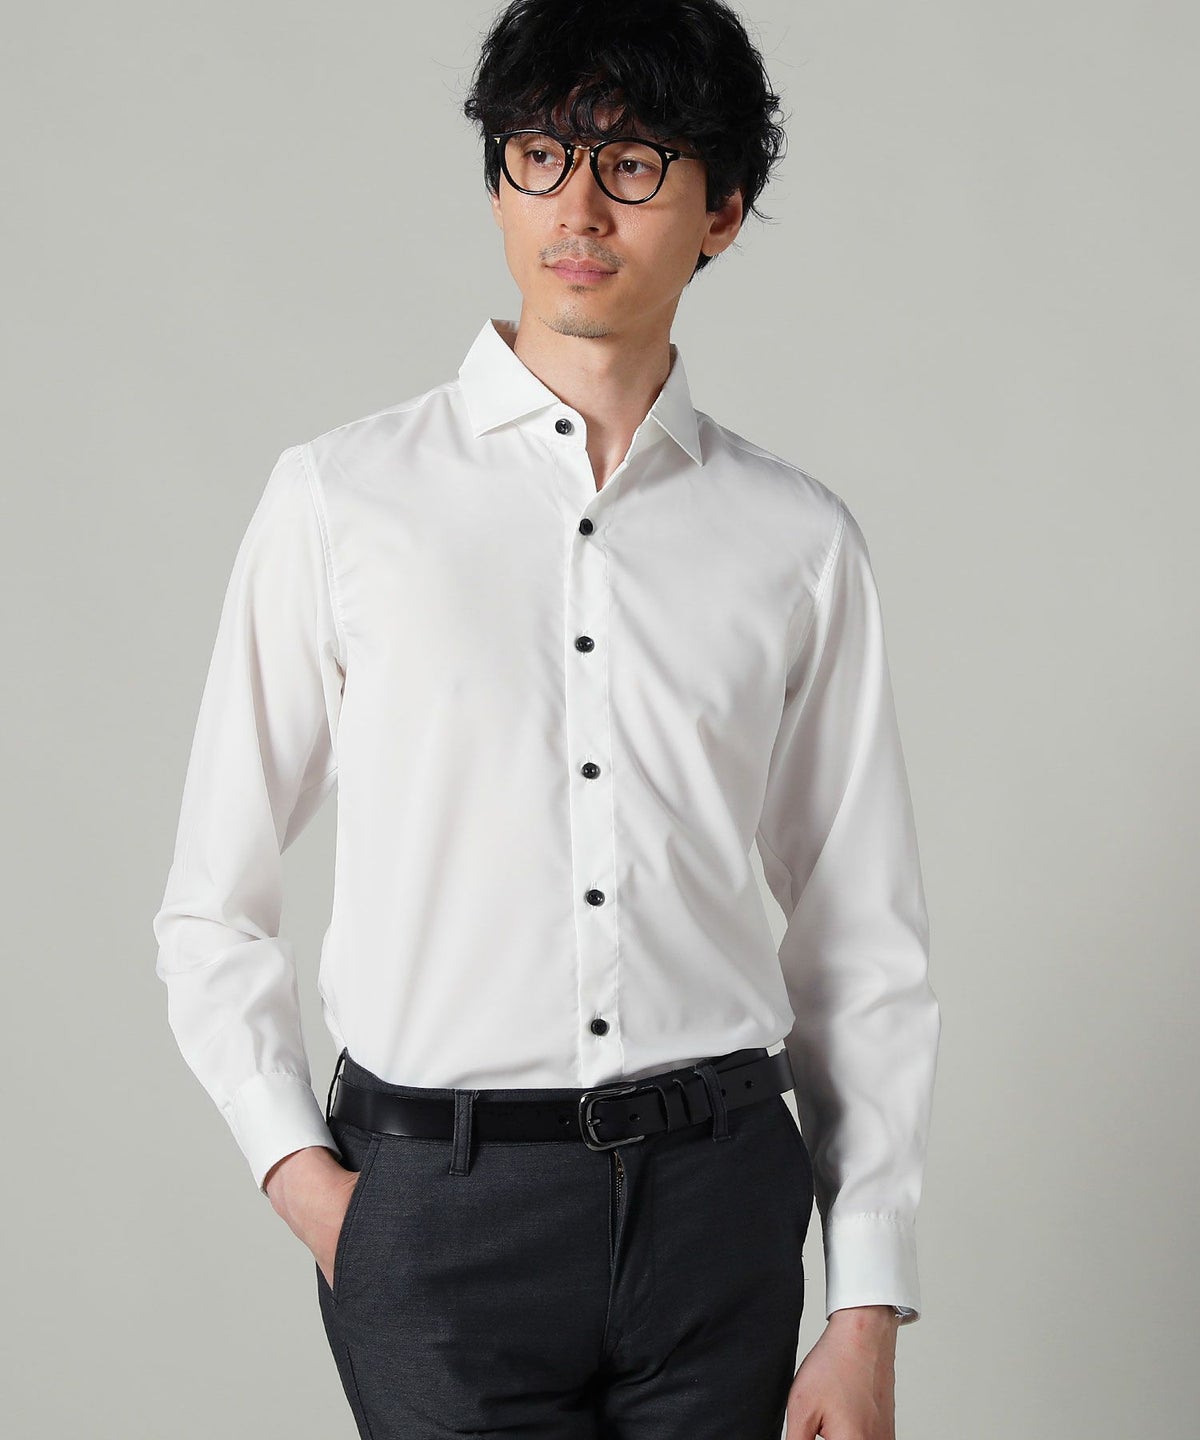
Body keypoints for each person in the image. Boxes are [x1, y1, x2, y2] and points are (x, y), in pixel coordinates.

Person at [152, 2, 941, 1436]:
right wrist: (314, 1188)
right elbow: (211, 904)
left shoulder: (797, 541)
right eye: (538, 156)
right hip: (437, 1214)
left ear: (722, 211)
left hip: (719, 1204)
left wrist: (866, 1301)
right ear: (499, 185)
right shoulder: (341, 502)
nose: (577, 209)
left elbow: (861, 939)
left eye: (631, 164)